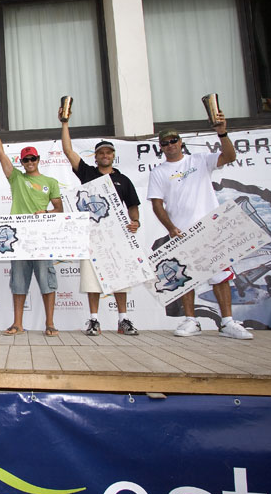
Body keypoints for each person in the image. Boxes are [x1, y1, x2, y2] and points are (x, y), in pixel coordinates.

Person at [147, 115, 252, 340]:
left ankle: (227, 322)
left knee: (221, 276)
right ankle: (191, 320)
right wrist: (171, 228)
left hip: (211, 228)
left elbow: (230, 156)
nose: (170, 145)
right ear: (161, 147)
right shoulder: (158, 172)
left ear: (180, 142)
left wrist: (222, 133)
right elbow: (157, 204)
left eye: (173, 141)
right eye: (165, 143)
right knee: (186, 278)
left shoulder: (200, 160)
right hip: (182, 232)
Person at [61, 122, 141, 336]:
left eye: (108, 152)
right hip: (92, 236)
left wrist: (135, 221)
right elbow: (68, 150)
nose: (105, 155)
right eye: (101, 153)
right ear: (95, 157)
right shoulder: (87, 173)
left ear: (113, 156)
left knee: (121, 278)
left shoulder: (123, 180)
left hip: (117, 236)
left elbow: (133, 206)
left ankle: (123, 320)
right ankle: (94, 320)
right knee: (92, 280)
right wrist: (65, 123)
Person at [0, 111, 63, 336]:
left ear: (38, 160)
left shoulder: (51, 182)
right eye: (26, 160)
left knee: (47, 280)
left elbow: (59, 209)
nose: (30, 162)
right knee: (18, 282)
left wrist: (46, 212)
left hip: (42, 238)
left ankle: (50, 323)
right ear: (21, 162)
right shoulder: (16, 178)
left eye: (33, 159)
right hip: (19, 238)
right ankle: (17, 324)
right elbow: (0, 153)